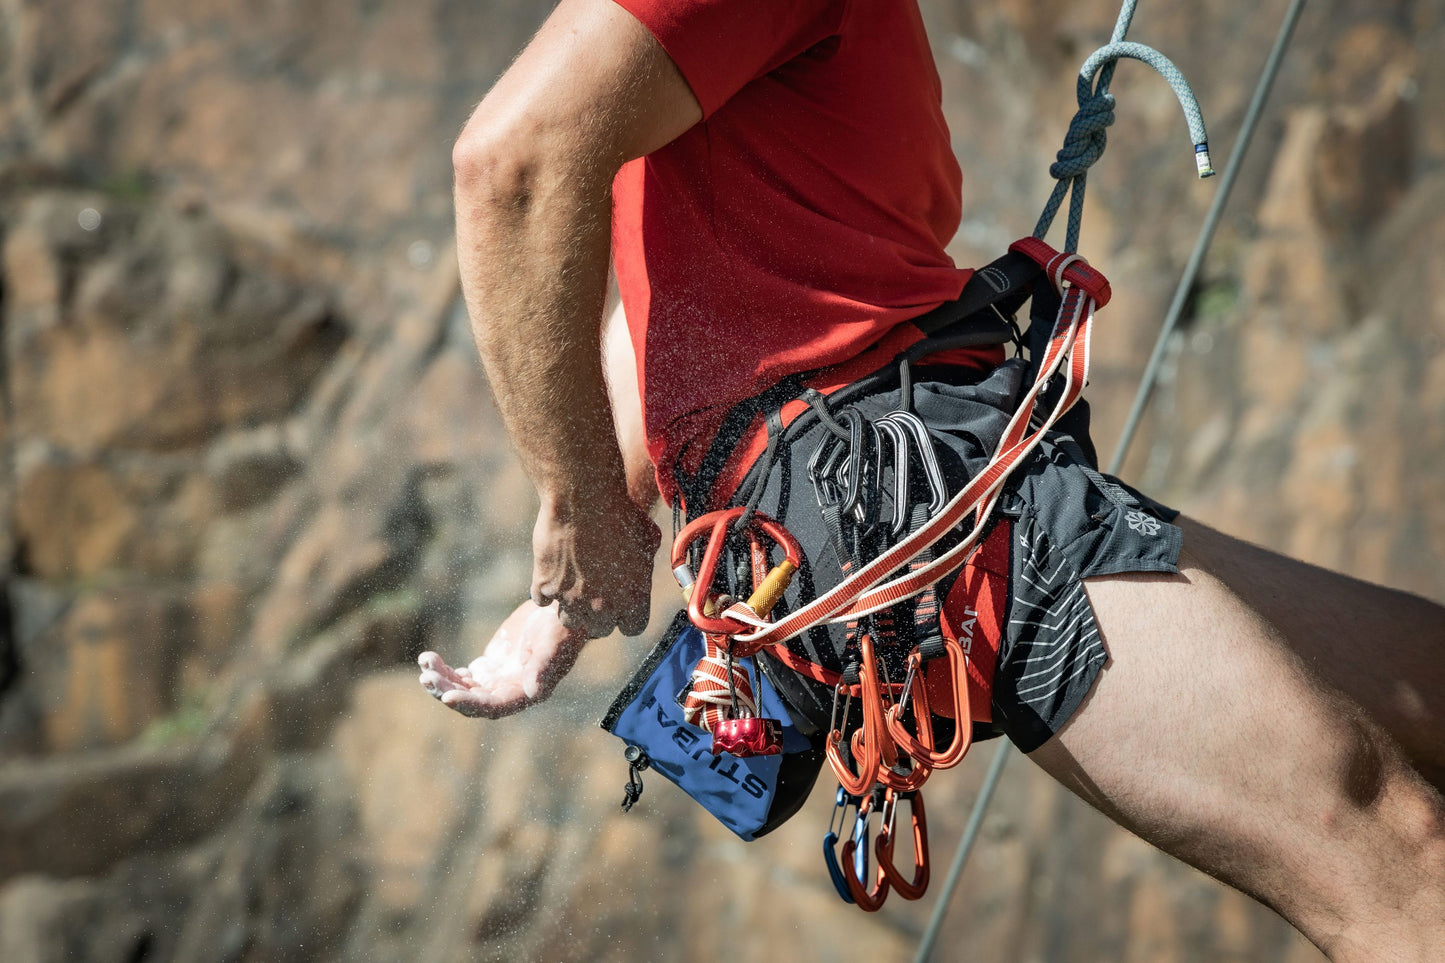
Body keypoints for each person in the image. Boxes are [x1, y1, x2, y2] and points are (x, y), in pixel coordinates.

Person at [418, 0, 1445, 957]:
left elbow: (671, 298)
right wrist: (580, 505)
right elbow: (510, 161)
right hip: (897, 499)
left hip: (948, 464)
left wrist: (590, 547)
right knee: (1386, 848)